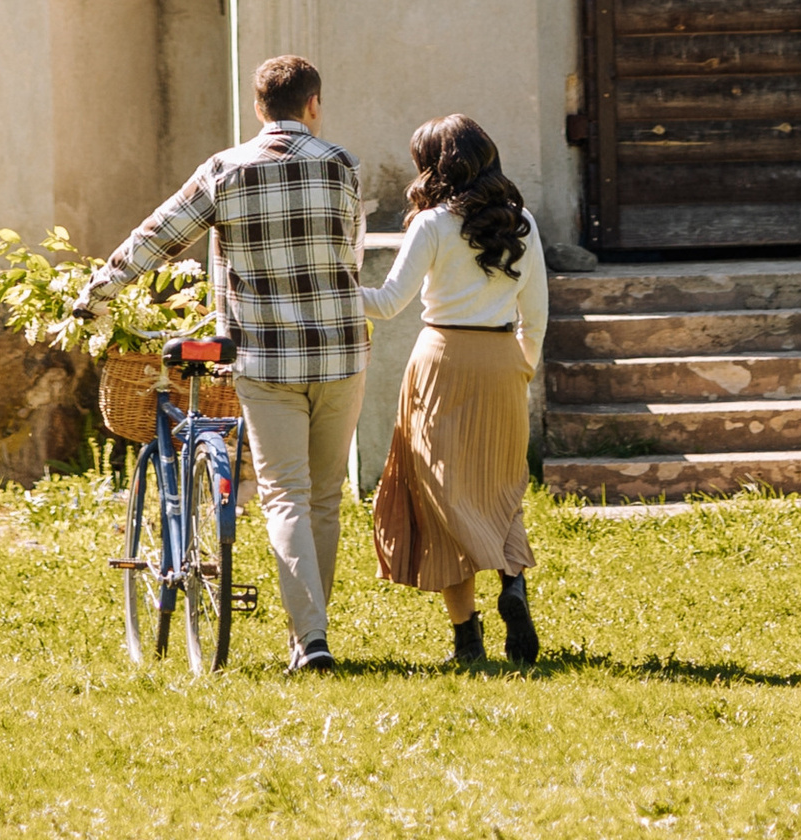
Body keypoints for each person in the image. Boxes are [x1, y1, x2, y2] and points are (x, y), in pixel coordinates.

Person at [85, 51, 366, 677]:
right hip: (343, 352)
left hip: (264, 359)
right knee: (323, 497)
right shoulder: (342, 166)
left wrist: (97, 291)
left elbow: (157, 237)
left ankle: (311, 640)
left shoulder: (226, 170)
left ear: (260, 108)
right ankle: (310, 634)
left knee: (284, 497)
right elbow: (349, 250)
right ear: (313, 105)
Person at [365, 114, 548, 667]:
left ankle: (467, 639)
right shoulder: (524, 224)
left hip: (442, 360)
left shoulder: (431, 224)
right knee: (499, 485)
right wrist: (521, 367)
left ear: (433, 167)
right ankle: (512, 581)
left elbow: (390, 303)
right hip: (501, 362)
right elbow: (534, 316)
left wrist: (333, 288)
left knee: (438, 496)